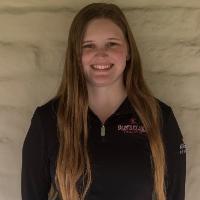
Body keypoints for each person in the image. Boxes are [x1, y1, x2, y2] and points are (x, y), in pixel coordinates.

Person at [21, 3, 186, 200]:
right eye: (88, 45)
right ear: (76, 55)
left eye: (112, 44)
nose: (101, 54)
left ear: (128, 52)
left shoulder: (160, 118)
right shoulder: (47, 120)